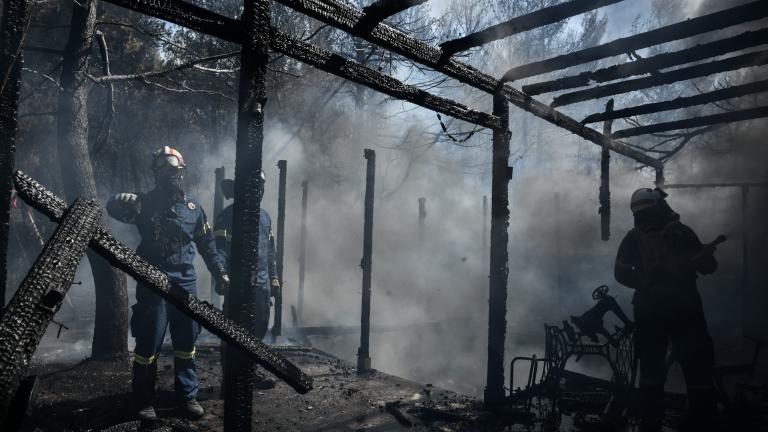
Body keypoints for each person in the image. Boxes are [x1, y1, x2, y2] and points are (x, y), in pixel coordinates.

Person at [107, 146, 229, 421]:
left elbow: (207, 245)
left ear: (181, 173)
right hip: (153, 282)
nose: (168, 176)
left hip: (186, 284)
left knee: (187, 342)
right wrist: (118, 199)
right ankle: (143, 401)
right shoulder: (142, 203)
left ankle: (187, 397)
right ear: (155, 174)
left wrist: (220, 272)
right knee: (148, 343)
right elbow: (115, 209)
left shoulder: (193, 209)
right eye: (161, 171)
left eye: (172, 170)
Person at [614, 187, 720, 432]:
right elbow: (709, 268)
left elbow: (620, 273)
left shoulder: (633, 238)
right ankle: (703, 420)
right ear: (659, 205)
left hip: (649, 312)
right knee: (697, 368)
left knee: (651, 370)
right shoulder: (683, 233)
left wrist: (645, 285)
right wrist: (705, 256)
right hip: (686, 310)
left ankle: (650, 423)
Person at [214, 175, 280, 388]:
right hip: (238, 285)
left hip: (261, 284)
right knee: (232, 330)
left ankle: (250, 372)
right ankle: (230, 378)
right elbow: (220, 248)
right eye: (254, 186)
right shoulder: (227, 216)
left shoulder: (265, 217)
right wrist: (222, 275)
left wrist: (274, 277)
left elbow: (270, 251)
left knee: (259, 327)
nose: (258, 191)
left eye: (260, 186)